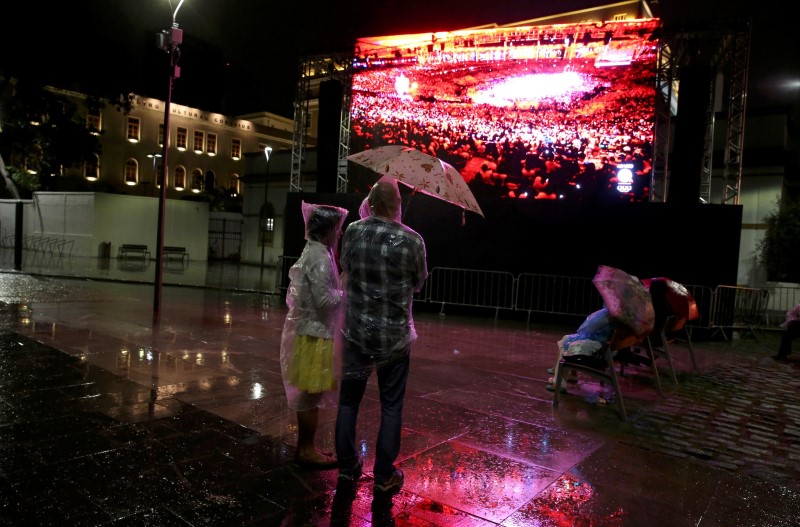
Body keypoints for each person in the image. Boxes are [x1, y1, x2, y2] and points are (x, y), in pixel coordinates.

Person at [334, 177, 428, 494]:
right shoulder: (413, 240)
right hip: (394, 339)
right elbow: (419, 282)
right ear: (396, 204)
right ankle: (384, 473)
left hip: (356, 332)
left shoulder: (353, 231)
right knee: (391, 406)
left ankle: (347, 468)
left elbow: (345, 266)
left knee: (348, 403)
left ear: (371, 202)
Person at [279, 201, 348, 469]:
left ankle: (306, 448)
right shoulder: (319, 256)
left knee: (310, 396)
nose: (340, 233)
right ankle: (306, 450)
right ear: (327, 229)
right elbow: (323, 300)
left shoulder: (317, 252)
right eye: (338, 228)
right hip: (315, 337)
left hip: (311, 334)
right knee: (309, 396)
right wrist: (345, 291)